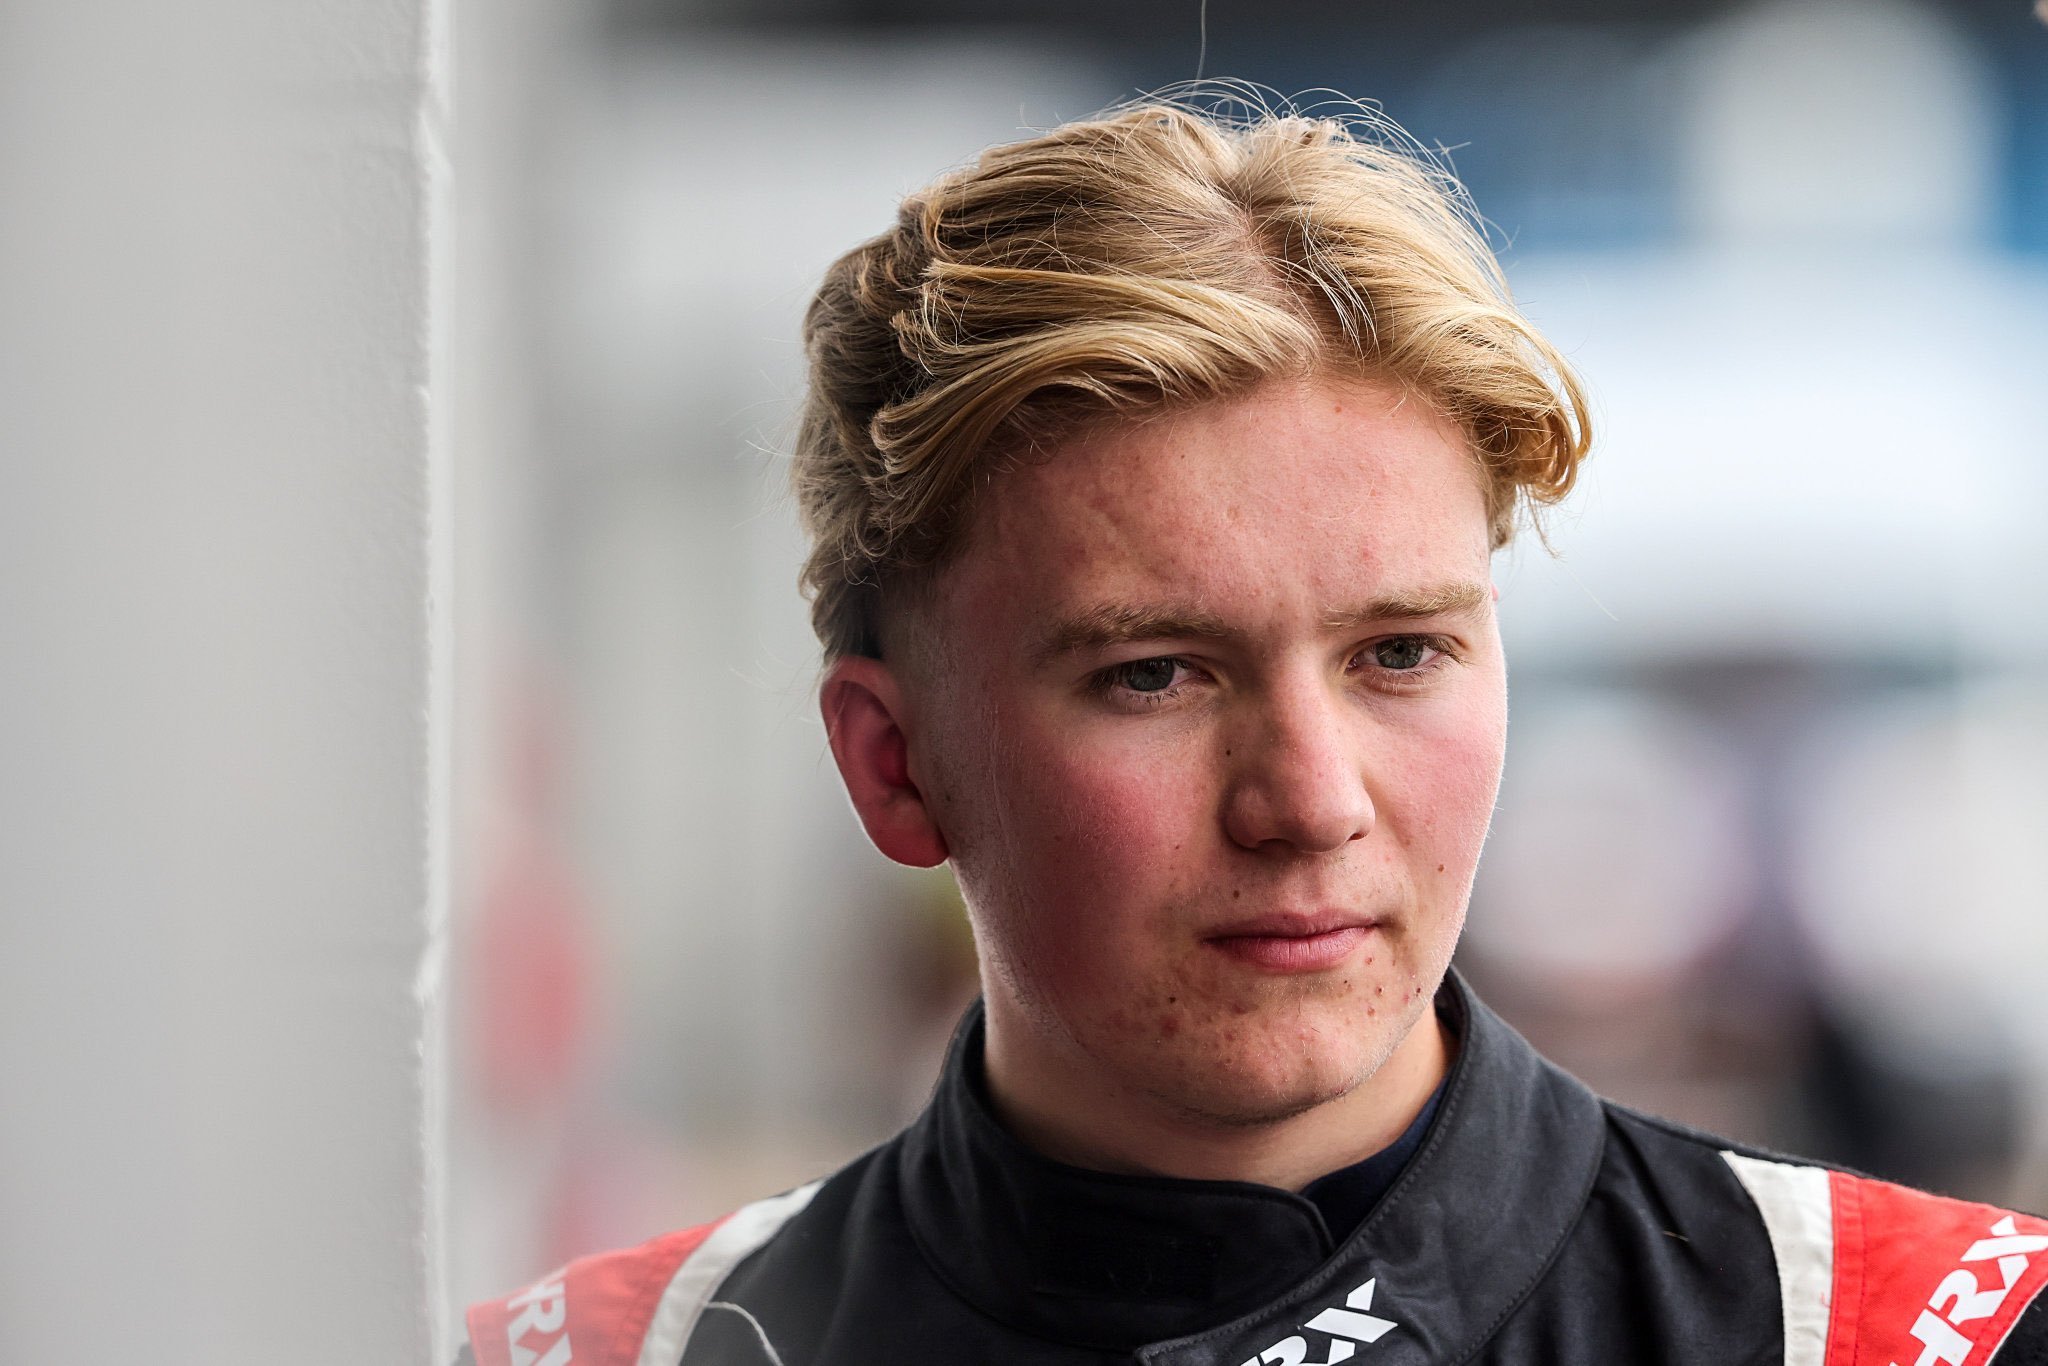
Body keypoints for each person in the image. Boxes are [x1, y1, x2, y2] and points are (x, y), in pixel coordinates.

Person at [462, 98, 2048, 1366]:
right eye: (1156, 673)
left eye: (1401, 653)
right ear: (894, 763)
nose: (1310, 799)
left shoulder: (1914, 1330)